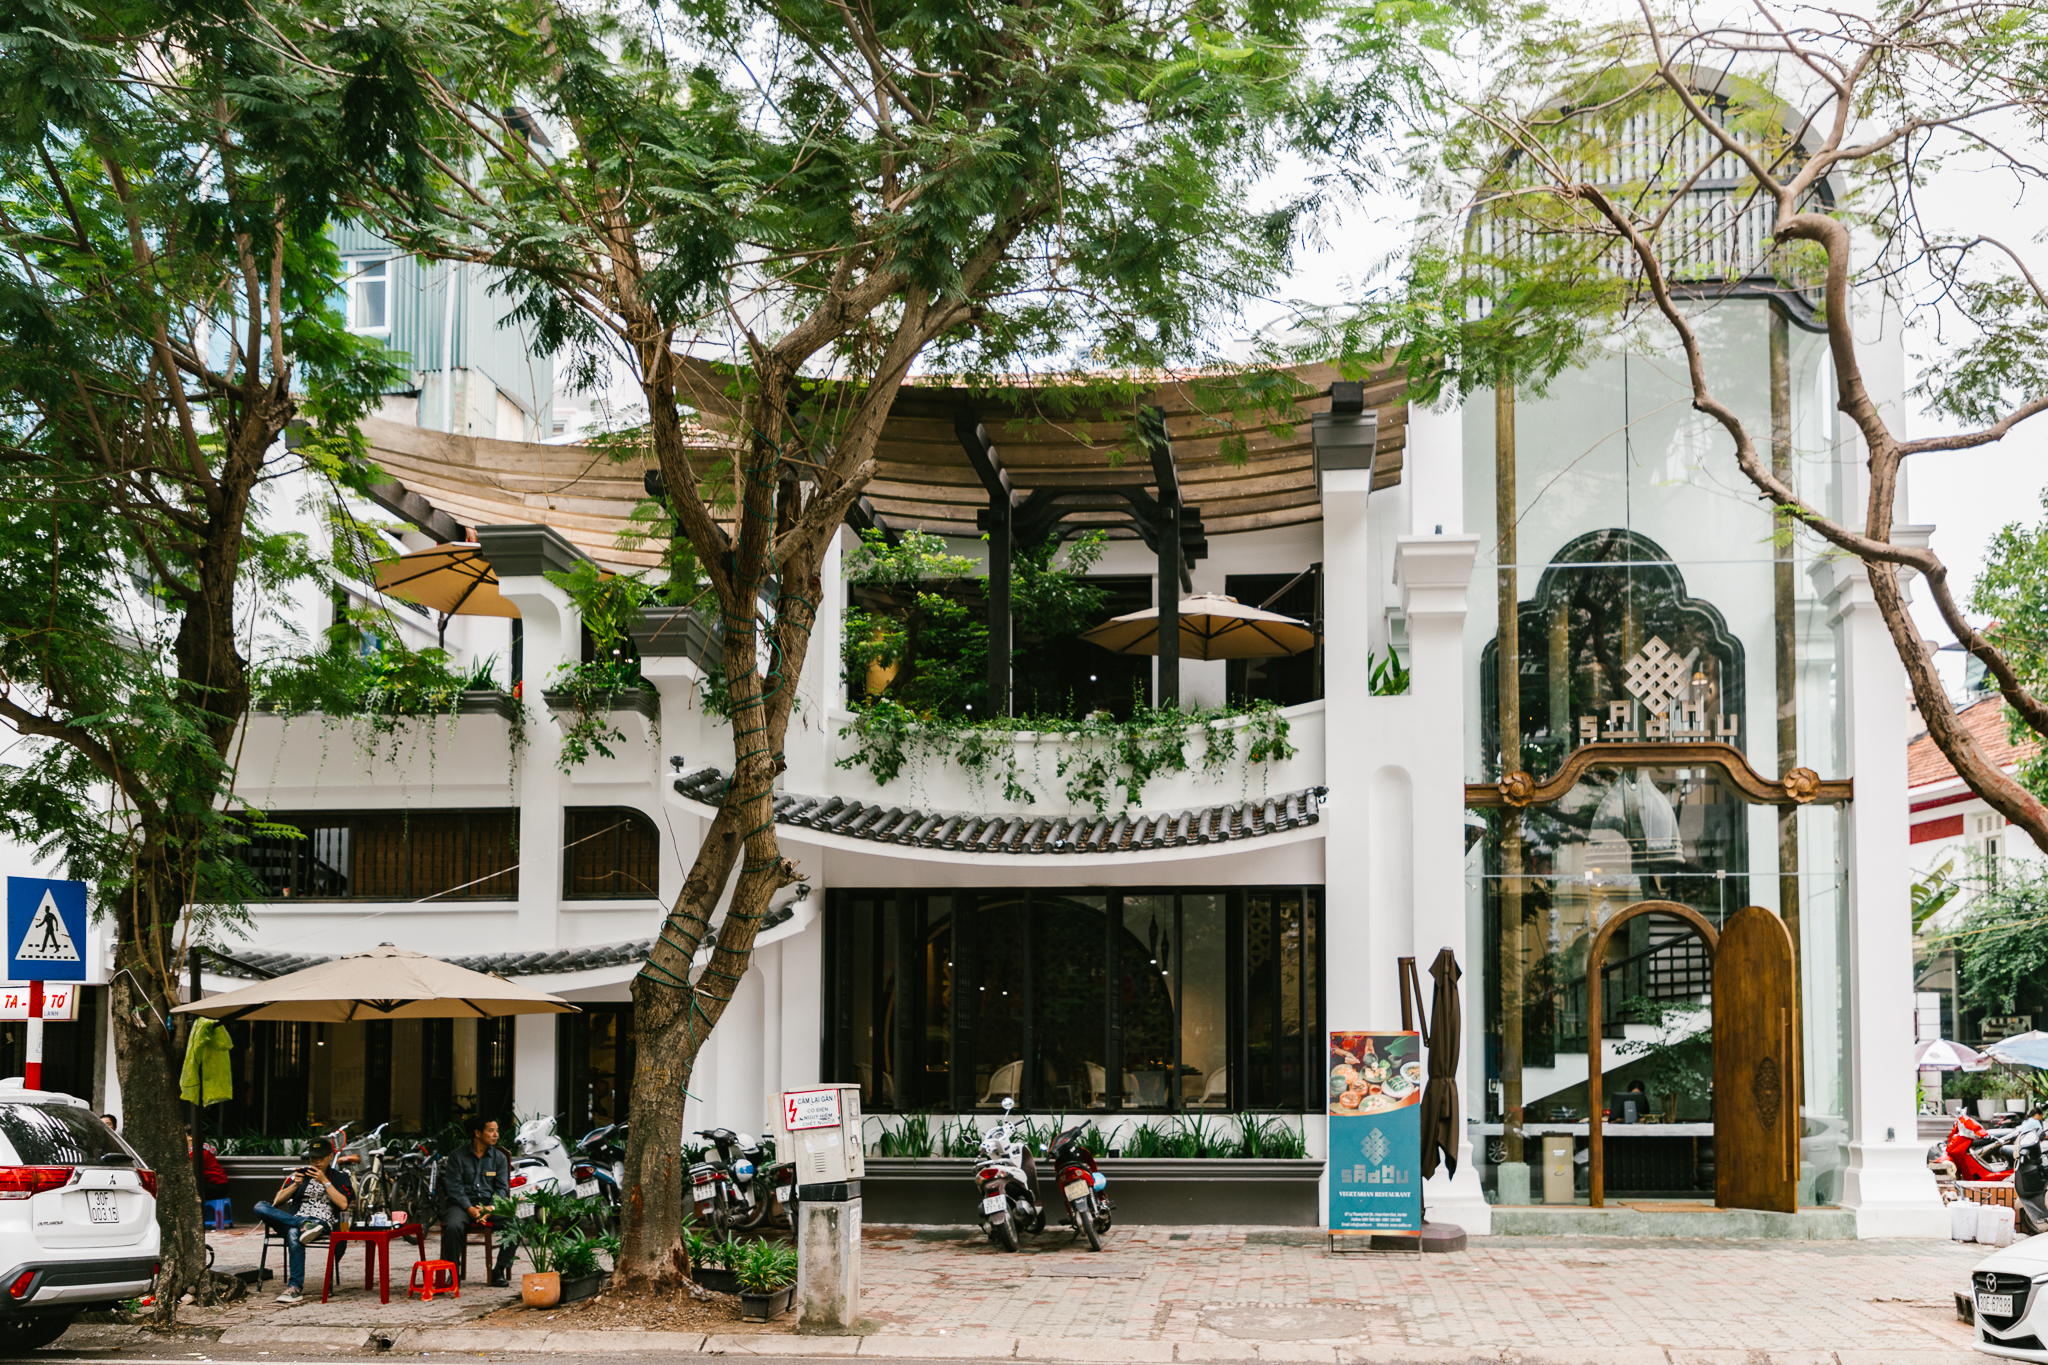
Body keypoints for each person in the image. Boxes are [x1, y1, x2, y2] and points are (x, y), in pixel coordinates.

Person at [252, 1139, 353, 1306]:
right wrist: (295, 1185)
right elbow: (277, 1202)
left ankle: (294, 1288)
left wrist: (325, 1181)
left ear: (330, 1157)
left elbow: (343, 1204)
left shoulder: (340, 1177)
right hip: (296, 1219)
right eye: (313, 1158)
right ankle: (302, 1224)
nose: (317, 1162)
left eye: (320, 1158)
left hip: (320, 1223)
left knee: (293, 1233)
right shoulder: (301, 1175)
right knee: (260, 1207)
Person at [440, 1116, 513, 1286]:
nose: (496, 1134)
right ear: (478, 1133)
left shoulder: (499, 1158)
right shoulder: (457, 1156)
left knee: (516, 1225)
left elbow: (502, 1188)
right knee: (452, 1226)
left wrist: (490, 1208)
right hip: (462, 1205)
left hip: (490, 1204)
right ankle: (453, 1271)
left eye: (497, 1130)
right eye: (491, 1130)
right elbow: (455, 1188)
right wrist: (469, 1208)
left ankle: (499, 1270)